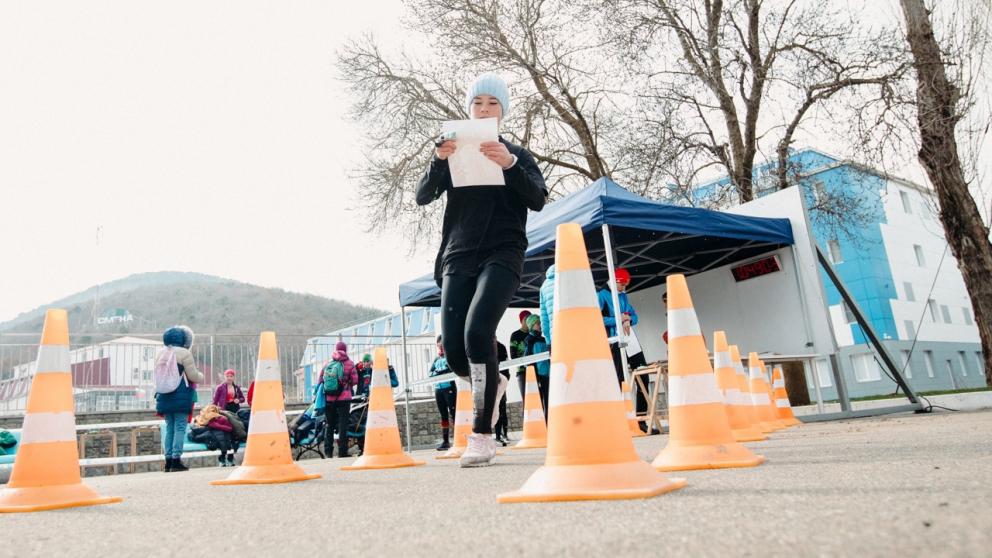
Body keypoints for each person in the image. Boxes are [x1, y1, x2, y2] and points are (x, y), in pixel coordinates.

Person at [416, 72, 547, 467]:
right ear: (468, 109)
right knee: (456, 353)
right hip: (458, 254)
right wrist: (438, 161)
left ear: (502, 111)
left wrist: (509, 165)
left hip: (504, 253)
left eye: (492, 103)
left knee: (479, 331)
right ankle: (496, 382)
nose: (484, 109)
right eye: (478, 103)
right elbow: (423, 196)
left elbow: (538, 199)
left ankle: (483, 435)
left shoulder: (517, 155)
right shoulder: (453, 151)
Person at [597, 267, 649, 432]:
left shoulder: (623, 295)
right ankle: (619, 422)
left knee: (643, 376)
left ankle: (641, 419)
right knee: (619, 381)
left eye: (627, 284)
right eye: (622, 284)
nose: (624, 287)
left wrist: (628, 320)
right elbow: (597, 318)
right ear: (615, 281)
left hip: (630, 339)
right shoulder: (602, 295)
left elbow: (634, 316)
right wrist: (618, 319)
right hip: (614, 341)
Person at [155, 325, 203, 473]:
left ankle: (168, 461)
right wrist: (201, 376)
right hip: (181, 395)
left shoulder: (160, 353)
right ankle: (176, 460)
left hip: (163, 395)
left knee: (170, 428)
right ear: (182, 338)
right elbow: (193, 376)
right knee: (180, 427)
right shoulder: (184, 353)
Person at [318, 345, 358, 458]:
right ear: (345, 350)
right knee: (343, 424)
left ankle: (328, 452)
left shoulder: (327, 363)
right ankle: (342, 452)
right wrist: (346, 383)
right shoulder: (349, 363)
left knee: (329, 424)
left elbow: (321, 380)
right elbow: (355, 381)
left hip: (329, 398)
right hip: (344, 399)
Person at [429, 336, 456, 451]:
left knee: (454, 413)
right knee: (443, 415)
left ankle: (459, 439)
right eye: (438, 345)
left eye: (442, 344)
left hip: (449, 387)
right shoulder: (436, 359)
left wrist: (439, 372)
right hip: (438, 389)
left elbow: (450, 369)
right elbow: (430, 373)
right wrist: (439, 372)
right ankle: (446, 441)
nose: (440, 347)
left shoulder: (449, 357)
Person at [523, 314, 551, 420]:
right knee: (541, 401)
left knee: (549, 400)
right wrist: (534, 376)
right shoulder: (530, 340)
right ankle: (543, 424)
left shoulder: (544, 339)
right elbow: (527, 360)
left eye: (540, 323)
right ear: (531, 325)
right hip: (539, 375)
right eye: (538, 324)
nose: (540, 326)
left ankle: (549, 423)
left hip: (548, 374)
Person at [509, 310, 532, 404]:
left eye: (530, 319)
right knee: (526, 400)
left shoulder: (534, 334)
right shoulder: (515, 335)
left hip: (536, 370)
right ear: (522, 321)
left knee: (538, 398)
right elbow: (513, 356)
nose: (529, 322)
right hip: (522, 372)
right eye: (527, 319)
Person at [494, 341, 510, 445]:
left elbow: (506, 367)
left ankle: (504, 434)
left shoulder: (501, 347)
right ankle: (497, 436)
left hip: (500, 380)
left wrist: (504, 381)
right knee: (494, 409)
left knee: (502, 408)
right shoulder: (483, 345)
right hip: (489, 382)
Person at [539, 264, 556, 346]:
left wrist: (549, 342)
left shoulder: (543, 287)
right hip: (576, 334)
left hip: (556, 338)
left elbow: (544, 321)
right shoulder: (570, 279)